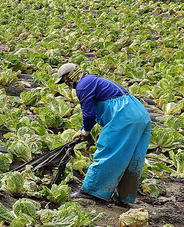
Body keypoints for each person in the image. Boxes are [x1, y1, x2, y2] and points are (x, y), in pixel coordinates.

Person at [55, 62, 152, 206]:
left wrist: (86, 131)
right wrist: (83, 129)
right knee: (132, 158)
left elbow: (89, 114)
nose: (67, 85)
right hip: (140, 113)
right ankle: (124, 197)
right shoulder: (94, 79)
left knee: (109, 150)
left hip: (124, 116)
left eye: (64, 81)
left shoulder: (82, 85)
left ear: (68, 76)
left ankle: (92, 191)